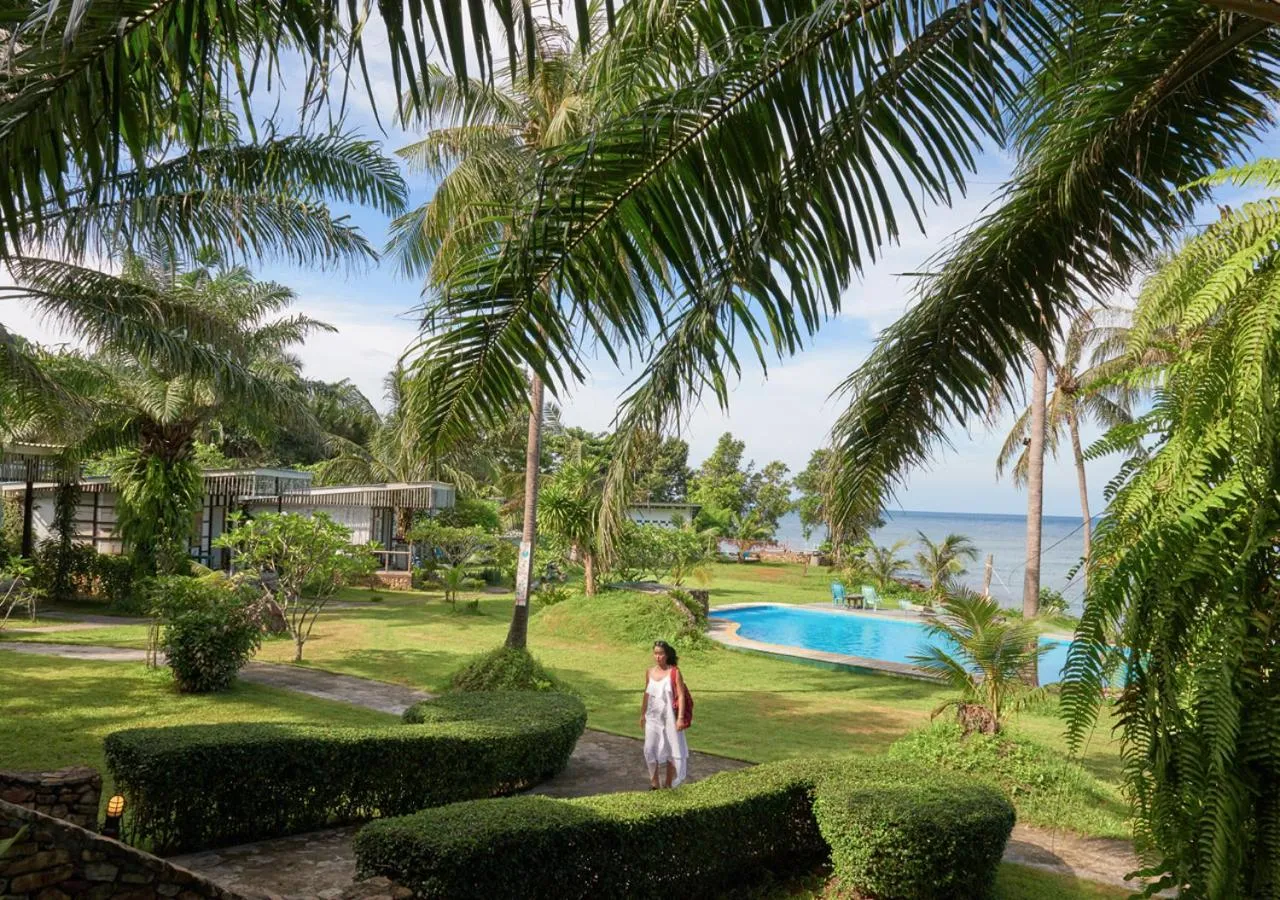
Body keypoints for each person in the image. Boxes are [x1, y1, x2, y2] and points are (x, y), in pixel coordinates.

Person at [640, 639, 689, 789]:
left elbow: (681, 695)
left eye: (661, 654)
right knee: (649, 749)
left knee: (670, 750)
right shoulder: (649, 672)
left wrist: (680, 718)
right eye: (655, 653)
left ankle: (667, 783)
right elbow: (646, 694)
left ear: (667, 655)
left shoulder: (674, 672)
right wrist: (642, 714)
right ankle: (654, 783)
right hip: (652, 718)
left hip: (670, 718)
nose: (658, 657)